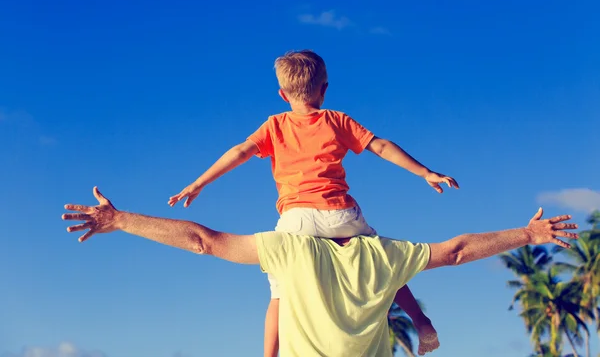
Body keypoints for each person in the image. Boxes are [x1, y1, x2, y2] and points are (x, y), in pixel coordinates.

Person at [167, 50, 459, 356]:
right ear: (324, 89)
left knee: (279, 293)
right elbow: (382, 147)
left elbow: (240, 151)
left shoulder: (275, 125)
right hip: (341, 215)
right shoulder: (337, 120)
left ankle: (269, 355)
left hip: (296, 222)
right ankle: (421, 322)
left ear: (282, 95)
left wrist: (199, 182)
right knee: (384, 262)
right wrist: (425, 172)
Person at [63, 187, 578, 357]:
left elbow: (204, 241)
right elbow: (458, 250)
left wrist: (120, 219)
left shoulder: (289, 250)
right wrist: (527, 235)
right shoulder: (384, 253)